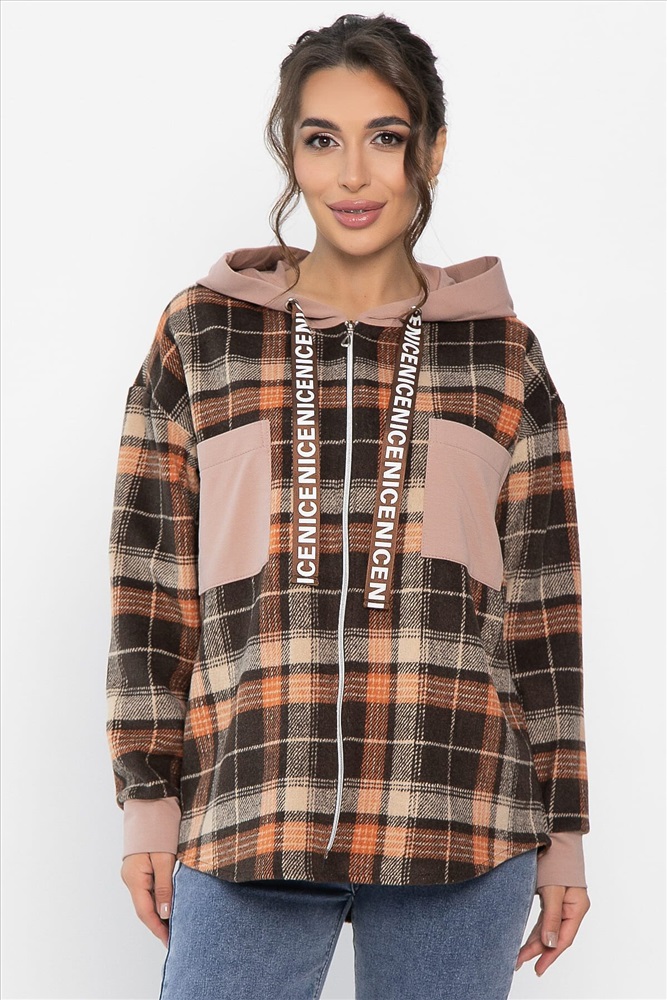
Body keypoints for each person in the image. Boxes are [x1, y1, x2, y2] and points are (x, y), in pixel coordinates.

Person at [105, 13, 591, 1000]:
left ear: (431, 149)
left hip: (459, 816)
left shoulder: (502, 356)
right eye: (321, 139)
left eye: (386, 136)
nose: (353, 175)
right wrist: (147, 803)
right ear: (289, 152)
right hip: (251, 808)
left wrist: (567, 834)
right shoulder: (203, 336)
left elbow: (544, 612)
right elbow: (148, 584)